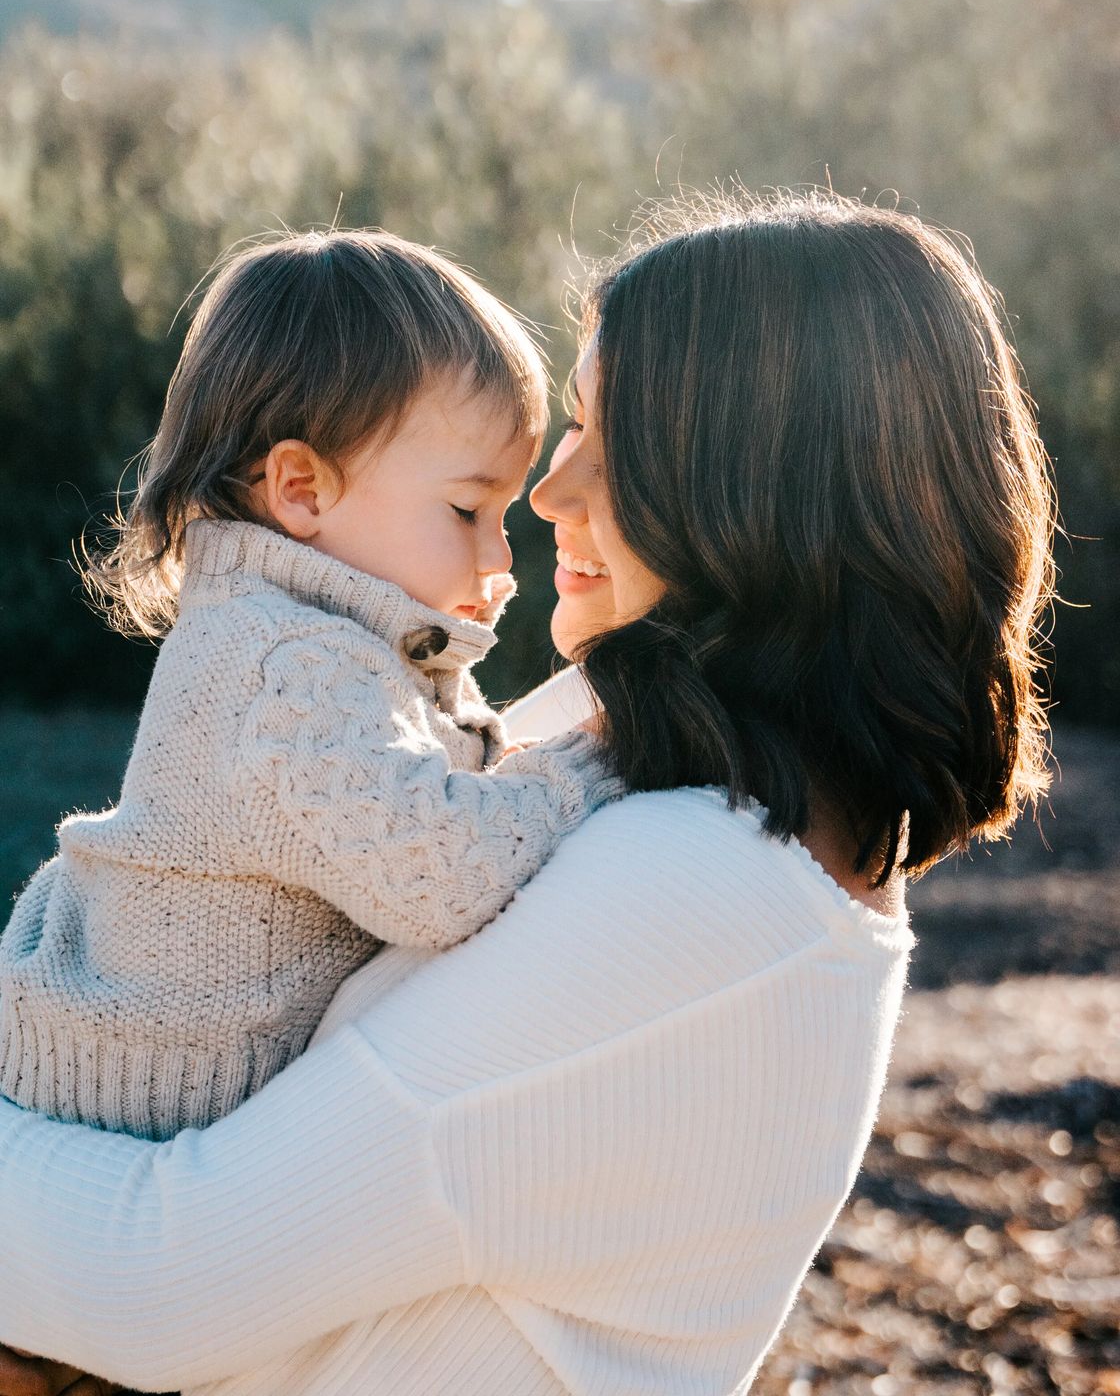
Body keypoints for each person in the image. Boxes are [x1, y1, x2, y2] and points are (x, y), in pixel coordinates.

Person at [0, 190, 1054, 1396]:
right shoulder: (677, 806)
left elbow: (151, 1279)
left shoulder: (697, 891)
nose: (549, 495)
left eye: (614, 440)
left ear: (758, 495)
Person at [0, 227, 617, 1140]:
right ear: (301, 489)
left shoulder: (308, 635)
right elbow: (436, 873)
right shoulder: (287, 665)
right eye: (466, 510)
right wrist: (586, 766)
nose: (501, 559)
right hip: (134, 1105)